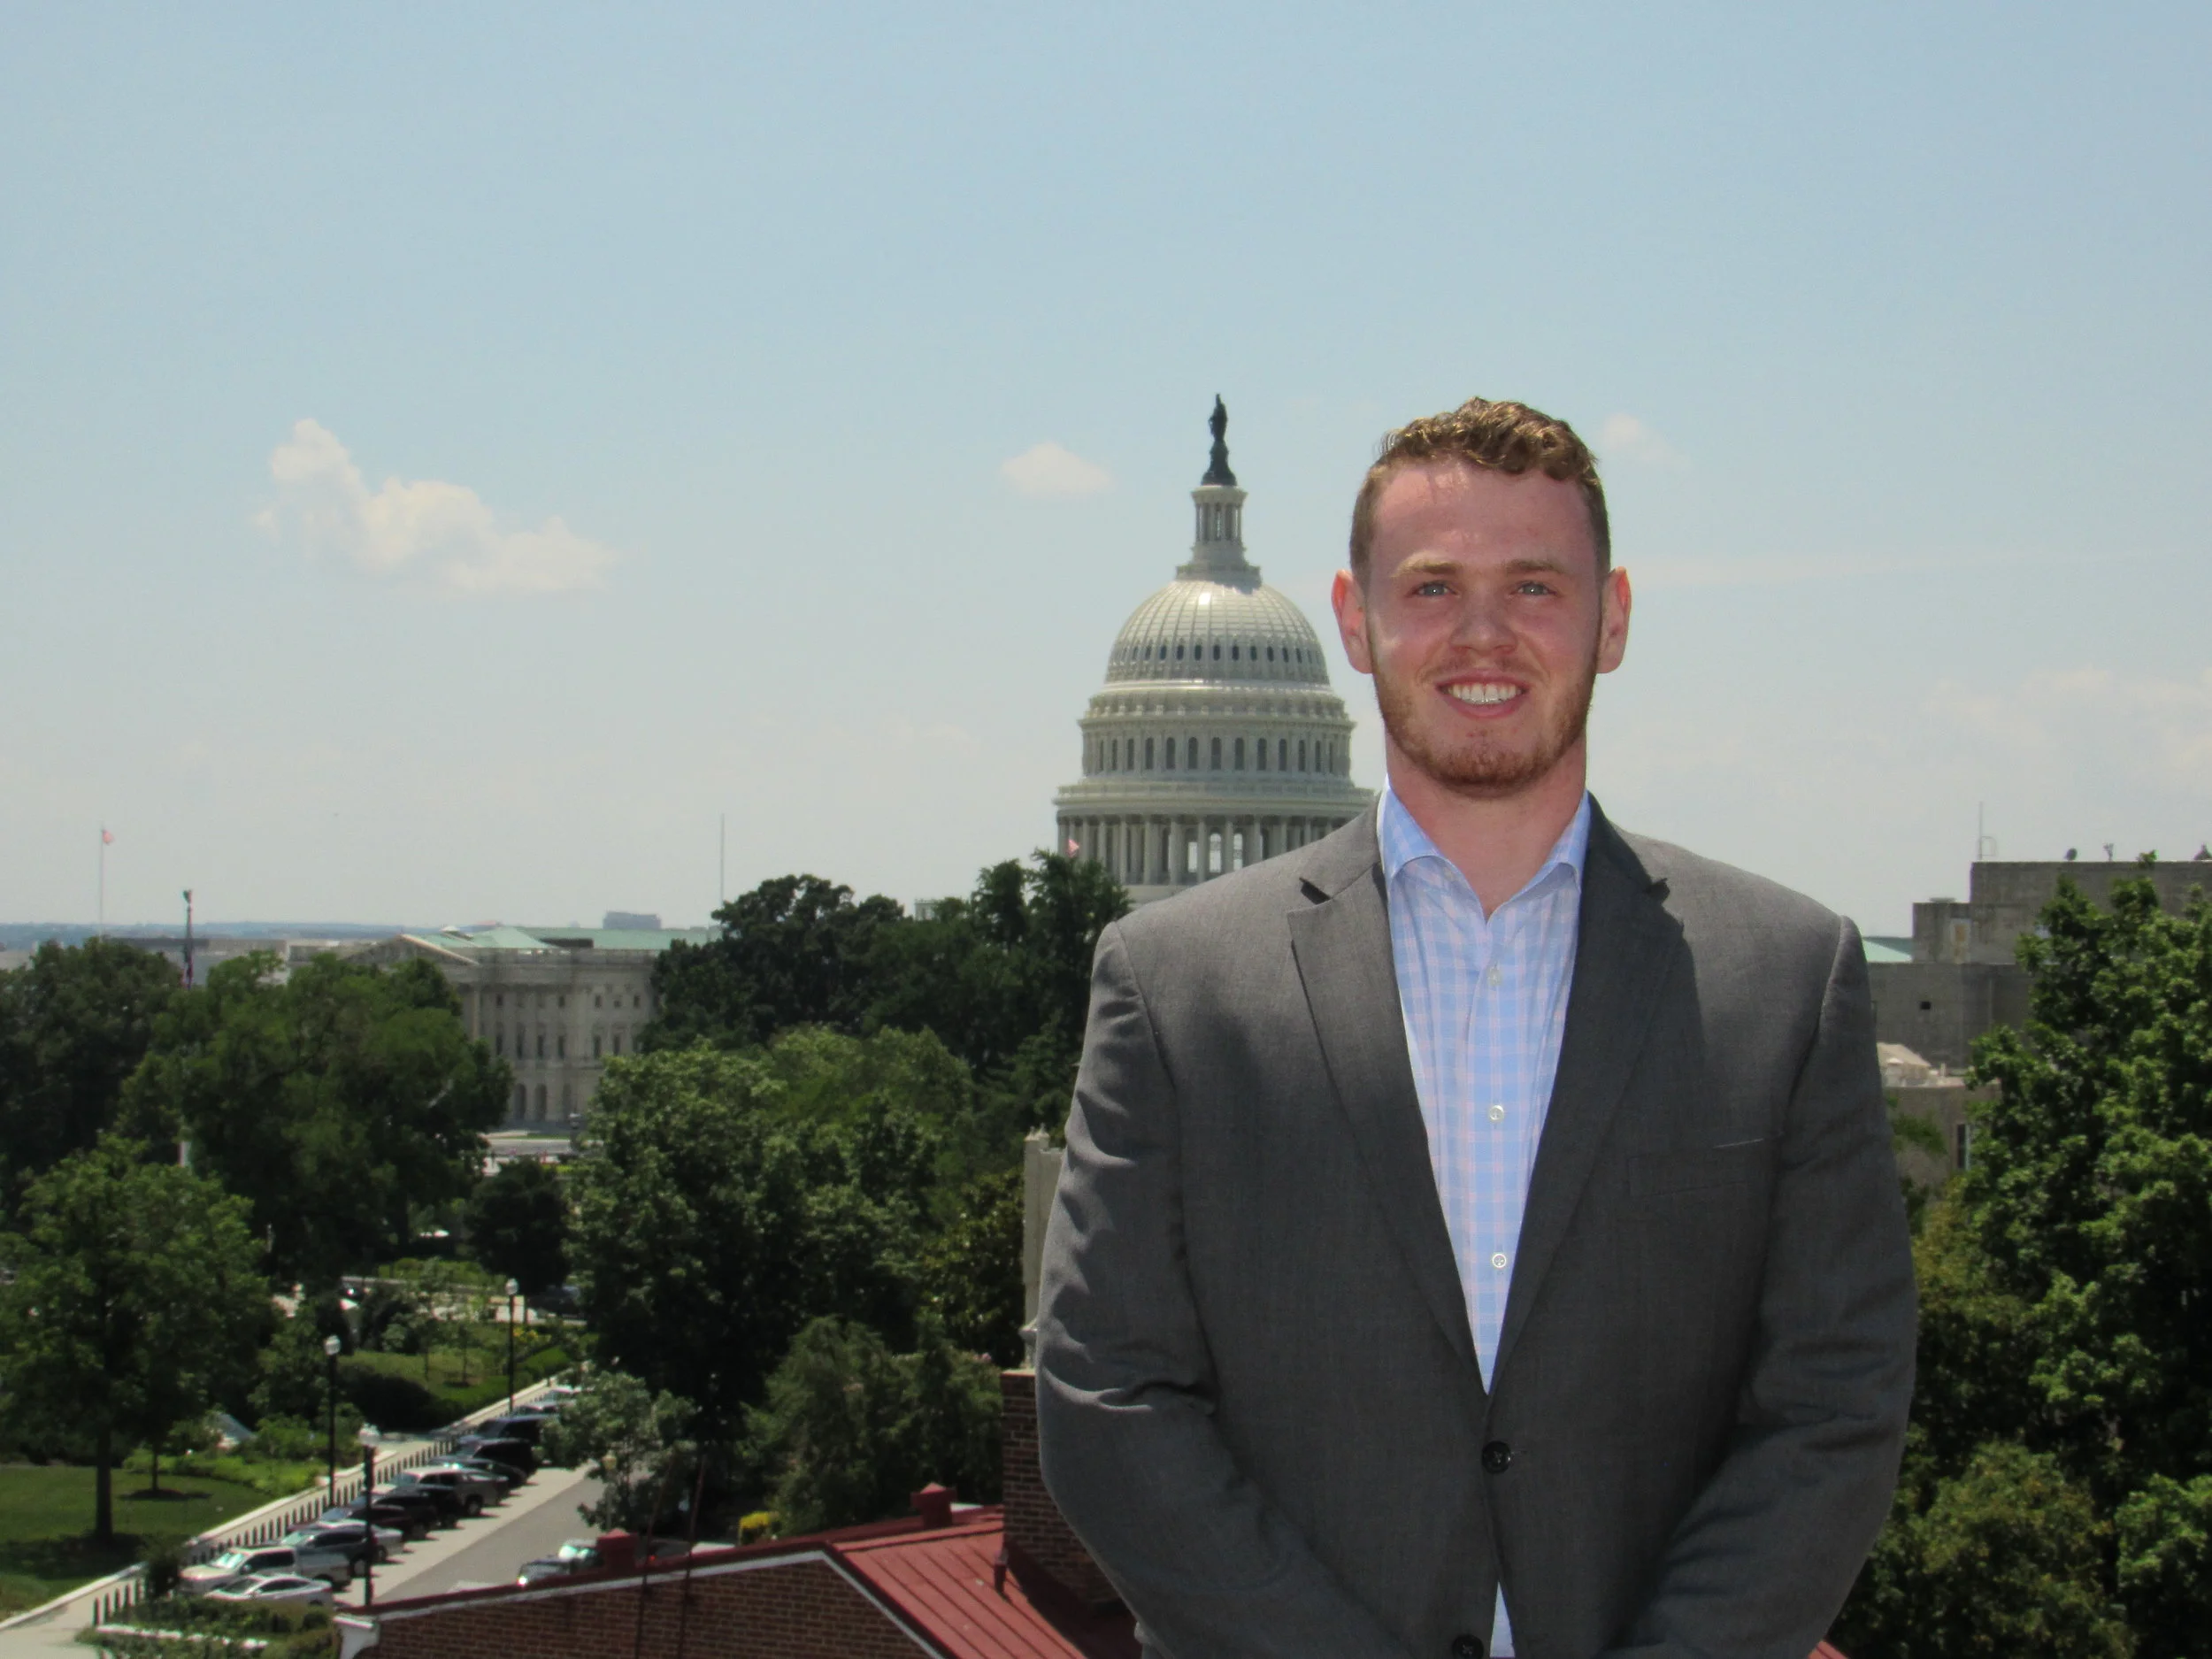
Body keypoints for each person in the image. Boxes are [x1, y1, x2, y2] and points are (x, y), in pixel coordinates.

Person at [1034, 397, 1916, 1659]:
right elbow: (1107, 1399)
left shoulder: (1785, 979)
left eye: (1537, 586)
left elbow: (1835, 1404)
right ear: (1355, 619)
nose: (1485, 633)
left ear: (1613, 617)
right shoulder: (1175, 986)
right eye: (1434, 585)